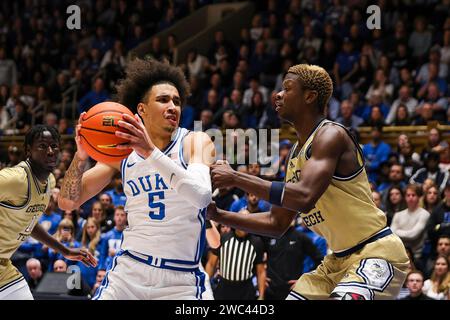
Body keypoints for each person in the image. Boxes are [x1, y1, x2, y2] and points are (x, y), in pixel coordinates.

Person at [208, 64, 409, 300]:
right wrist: (217, 214)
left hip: (375, 253)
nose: (278, 94)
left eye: (287, 89)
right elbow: (276, 222)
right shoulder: (294, 154)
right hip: (335, 263)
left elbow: (304, 197)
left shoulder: (330, 135)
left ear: (310, 96)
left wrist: (236, 177)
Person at [58, 59, 215, 300]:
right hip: (129, 273)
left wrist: (150, 152)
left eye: (177, 101)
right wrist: (81, 156)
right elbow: (67, 202)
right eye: (163, 100)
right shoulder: (122, 153)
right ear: (141, 109)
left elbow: (202, 196)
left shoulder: (195, 141)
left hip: (180, 279)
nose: (172, 106)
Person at [0, 125, 96, 300]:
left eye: (54, 146)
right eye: (42, 146)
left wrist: (65, 250)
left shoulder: (49, 181)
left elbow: (28, 222)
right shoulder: (14, 179)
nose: (50, 151)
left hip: (4, 267)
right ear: (28, 150)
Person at [391, 184, 430, 261]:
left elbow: (413, 235)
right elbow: (391, 234)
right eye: (408, 195)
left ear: (419, 197)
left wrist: (397, 231)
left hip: (417, 256)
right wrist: (399, 233)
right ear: (405, 197)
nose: (410, 197)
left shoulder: (424, 214)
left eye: (413, 195)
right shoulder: (398, 215)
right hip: (399, 254)